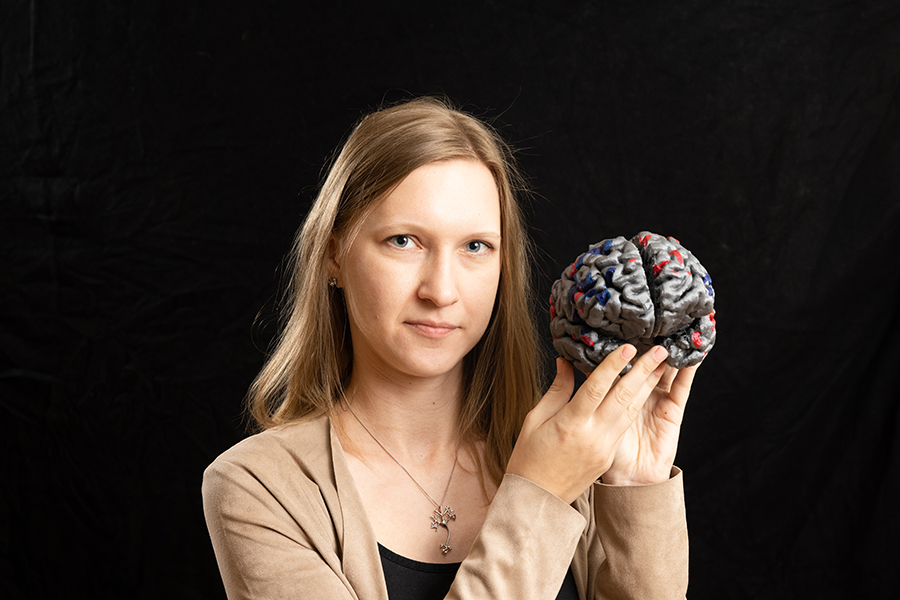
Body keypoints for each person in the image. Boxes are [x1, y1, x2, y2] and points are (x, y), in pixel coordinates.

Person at [202, 96, 696, 599]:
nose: (440, 290)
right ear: (334, 253)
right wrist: (539, 495)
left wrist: (633, 490)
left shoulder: (576, 457)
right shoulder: (259, 488)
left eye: (475, 247)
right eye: (403, 241)